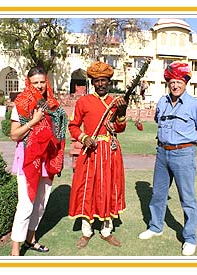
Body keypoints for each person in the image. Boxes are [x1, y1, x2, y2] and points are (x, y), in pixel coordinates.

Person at [138, 61, 197, 256]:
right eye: (172, 82)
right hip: (162, 153)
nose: (175, 86)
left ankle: (189, 238)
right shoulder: (162, 102)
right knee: (158, 194)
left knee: (187, 198)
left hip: (184, 154)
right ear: (168, 83)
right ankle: (155, 227)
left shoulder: (196, 105)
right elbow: (158, 121)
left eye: (179, 82)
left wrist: (189, 146)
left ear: (185, 83)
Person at [68, 61, 128, 249]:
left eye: (104, 80)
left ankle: (106, 230)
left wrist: (122, 113)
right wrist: (84, 137)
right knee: (87, 188)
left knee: (109, 188)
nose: (101, 84)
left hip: (110, 152)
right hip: (91, 152)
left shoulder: (115, 102)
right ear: (92, 82)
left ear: (109, 82)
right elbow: (73, 126)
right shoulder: (83, 102)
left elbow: (121, 127)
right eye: (97, 81)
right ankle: (87, 231)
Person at [10, 66, 67, 256]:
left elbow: (59, 133)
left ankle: (31, 239)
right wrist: (34, 121)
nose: (39, 86)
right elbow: (14, 135)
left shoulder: (53, 105)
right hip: (28, 159)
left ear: (47, 81)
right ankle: (15, 250)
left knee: (41, 204)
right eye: (35, 82)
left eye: (42, 82)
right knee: (26, 204)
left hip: (47, 160)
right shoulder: (22, 103)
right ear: (28, 83)